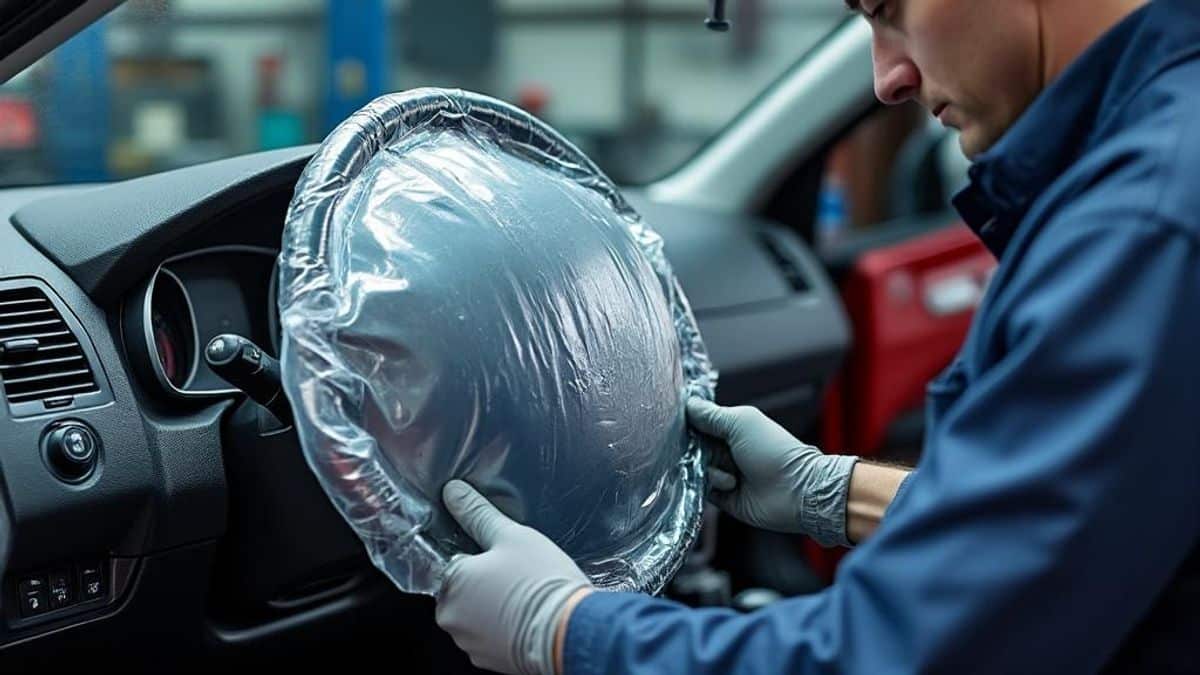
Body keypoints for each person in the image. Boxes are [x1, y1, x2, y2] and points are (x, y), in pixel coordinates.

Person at [433, 0, 1200, 672]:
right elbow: (1081, 534)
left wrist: (569, 630)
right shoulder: (1161, 162)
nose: (887, 78)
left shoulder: (1140, 226)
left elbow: (893, 656)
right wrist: (839, 493)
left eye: (888, 9)